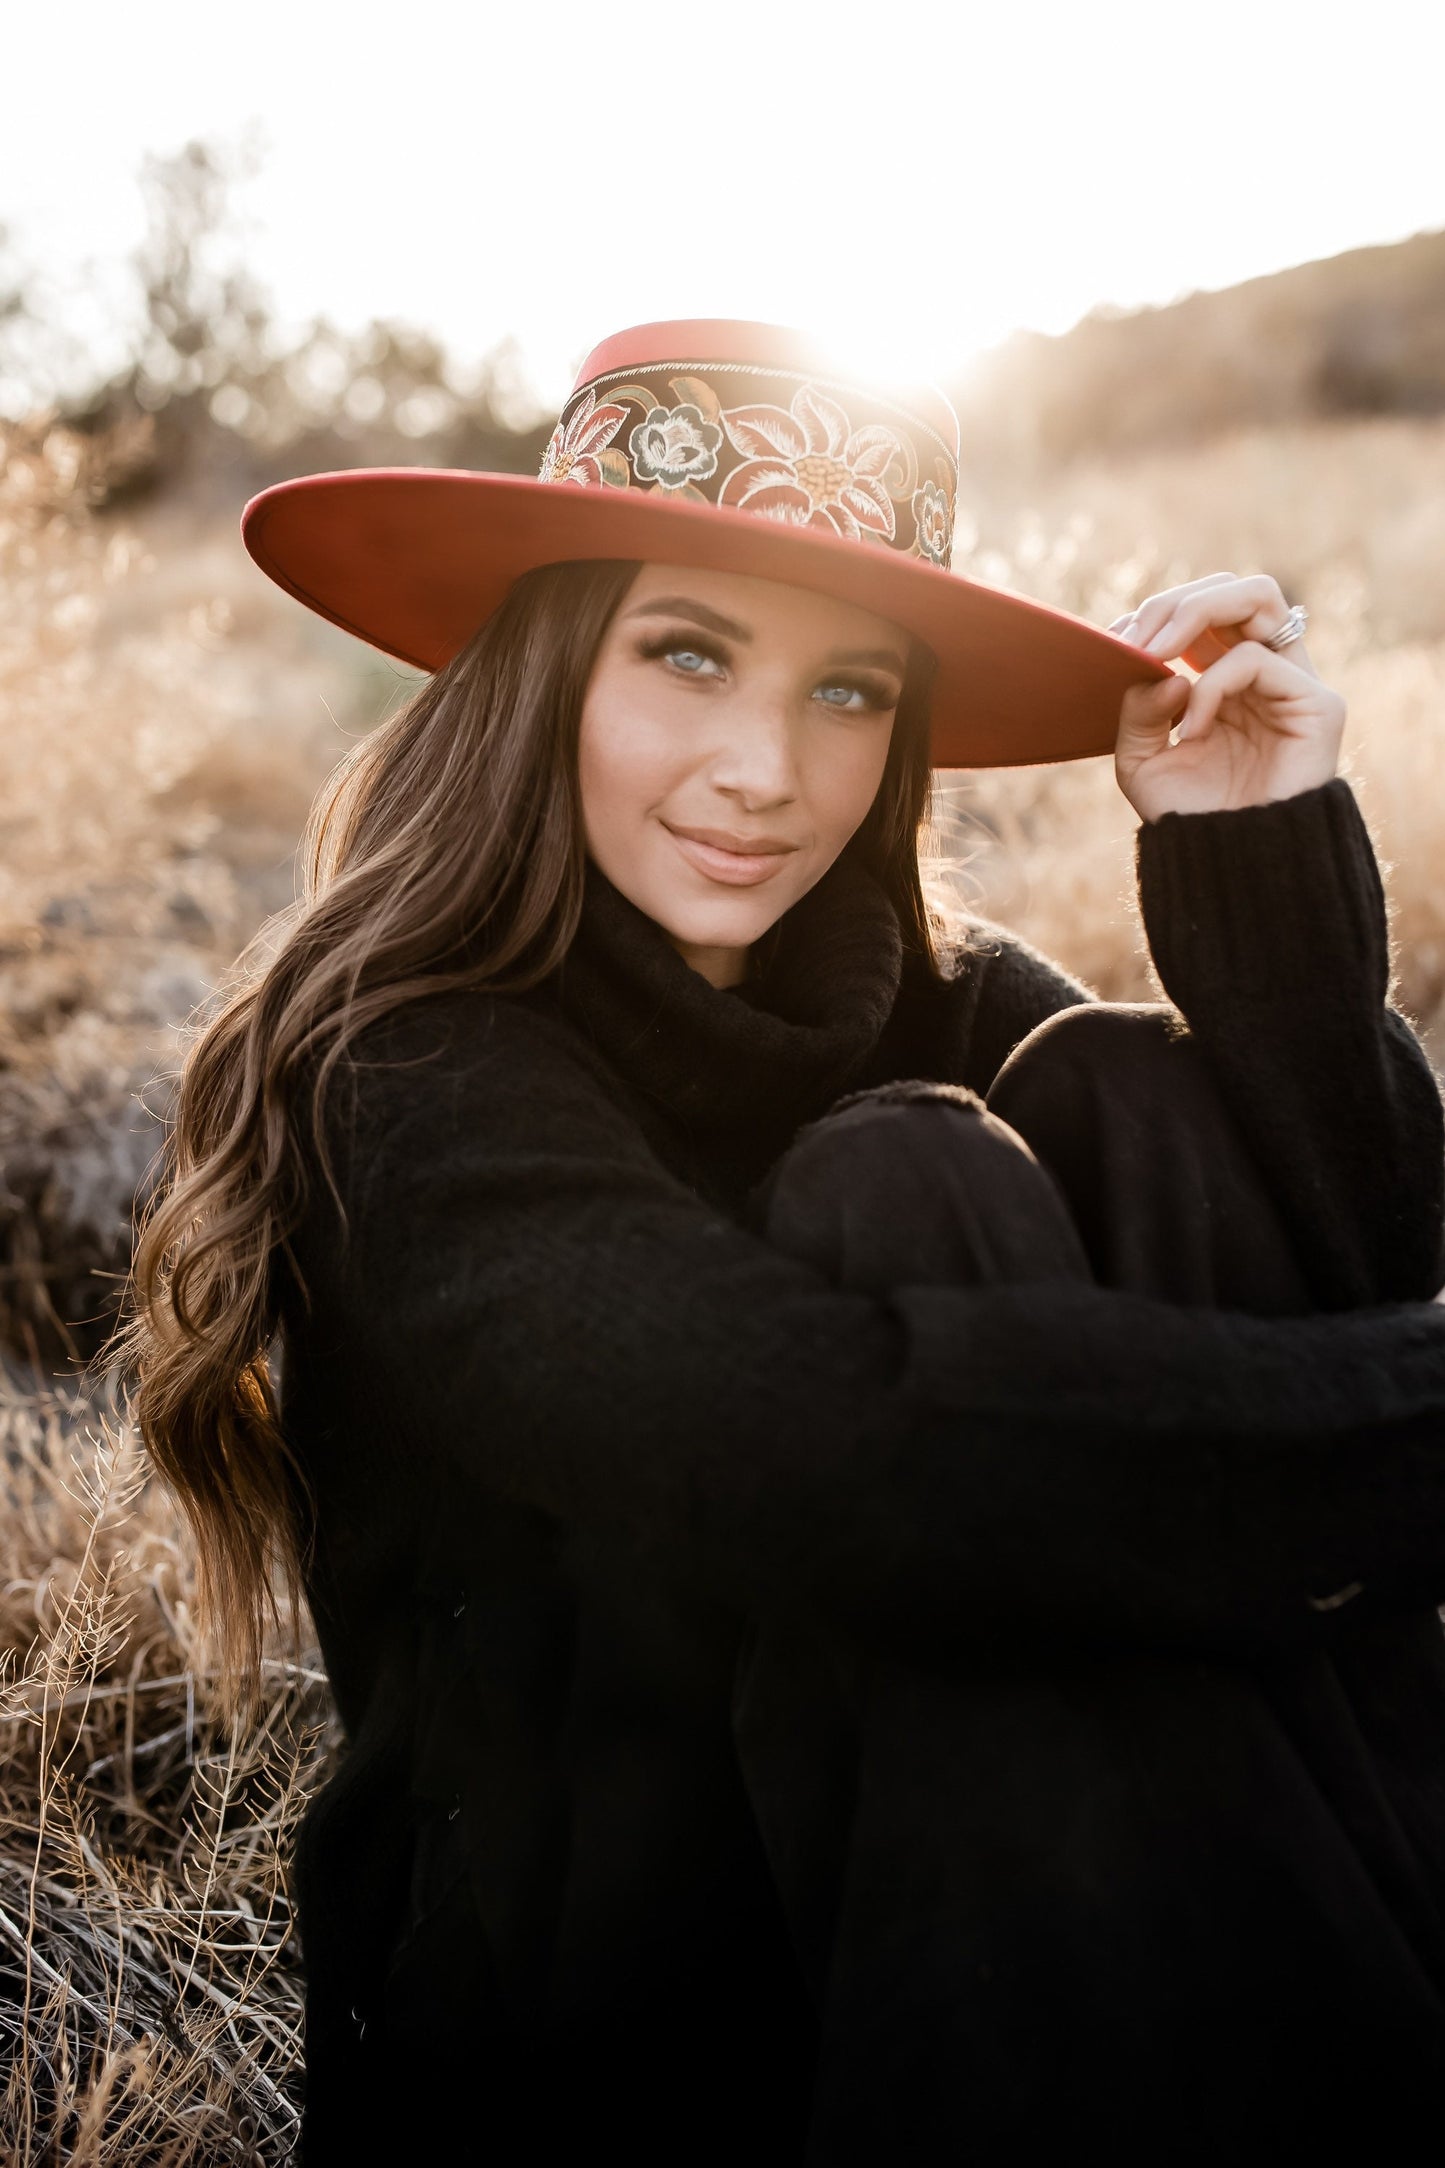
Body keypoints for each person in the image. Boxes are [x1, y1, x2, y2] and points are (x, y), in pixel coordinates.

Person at [120, 320, 1445, 2165]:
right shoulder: (409, 1064)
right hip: (591, 1983)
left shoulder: (933, 990)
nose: (764, 769)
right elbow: (826, 1456)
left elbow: (1350, 1279)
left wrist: (1257, 862)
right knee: (906, 1190)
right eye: (685, 655)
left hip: (999, 1895)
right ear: (544, 668)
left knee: (1128, 1093)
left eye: (846, 693)